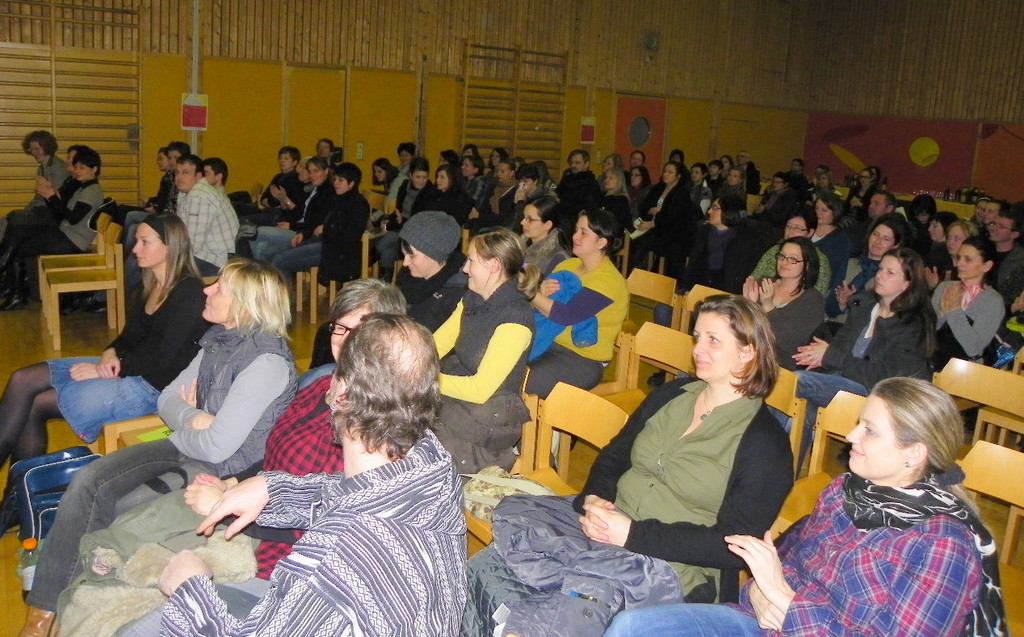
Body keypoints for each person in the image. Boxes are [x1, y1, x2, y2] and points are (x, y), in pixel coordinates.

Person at [463, 295, 793, 635]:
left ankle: (548, 595)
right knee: (513, 521)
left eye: (713, 340)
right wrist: (595, 497)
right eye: (697, 336)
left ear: (748, 352)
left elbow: (733, 546)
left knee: (578, 603)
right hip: (610, 521)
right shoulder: (673, 395)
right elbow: (617, 453)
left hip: (670, 562)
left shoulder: (765, 445)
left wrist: (632, 534)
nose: (698, 348)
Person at [18, 259, 297, 637]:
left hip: (223, 470)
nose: (207, 290)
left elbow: (218, 448)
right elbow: (167, 399)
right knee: (89, 481)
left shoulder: (267, 362)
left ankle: (75, 606)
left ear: (246, 306)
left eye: (219, 288)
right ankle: (42, 613)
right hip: (184, 444)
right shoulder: (219, 338)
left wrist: (190, 419)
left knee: (118, 507)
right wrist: (193, 416)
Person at [605, 377, 1006, 637]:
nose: (851, 436)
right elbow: (789, 563)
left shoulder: (943, 546)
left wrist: (785, 603)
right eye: (859, 423)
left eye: (869, 430)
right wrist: (761, 594)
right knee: (631, 627)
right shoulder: (844, 491)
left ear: (913, 453)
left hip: (796, 621)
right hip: (769, 621)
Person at [150, 314, 466, 637]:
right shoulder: (434, 466)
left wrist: (189, 588)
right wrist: (273, 488)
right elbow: (355, 495)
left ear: (341, 393)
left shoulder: (331, 562)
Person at [181, 280, 405, 587]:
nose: (346, 340)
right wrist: (232, 483)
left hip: (293, 560)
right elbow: (275, 457)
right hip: (250, 515)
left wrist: (226, 508)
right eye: (341, 328)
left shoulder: (379, 419)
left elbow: (331, 519)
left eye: (360, 331)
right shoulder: (319, 386)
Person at [0, 215, 209, 524]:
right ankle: (19, 501)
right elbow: (128, 338)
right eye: (136, 241)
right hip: (128, 368)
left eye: (144, 242)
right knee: (22, 379)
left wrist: (105, 369)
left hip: (152, 387)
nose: (135, 249)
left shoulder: (189, 293)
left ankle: (16, 503)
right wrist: (111, 351)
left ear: (170, 247)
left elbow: (164, 361)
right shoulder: (148, 285)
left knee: (38, 404)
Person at [793, 247, 935, 460]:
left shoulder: (913, 324)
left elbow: (886, 377)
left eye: (890, 272)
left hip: (879, 394)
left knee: (797, 382)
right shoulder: (865, 305)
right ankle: (783, 465)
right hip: (843, 380)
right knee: (799, 404)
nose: (880, 275)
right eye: (880, 269)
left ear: (907, 284)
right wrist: (818, 357)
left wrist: (830, 356)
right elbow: (839, 347)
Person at [433, 228, 538, 472]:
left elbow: (480, 390)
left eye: (471, 261)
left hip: (490, 413)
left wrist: (424, 381)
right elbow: (435, 346)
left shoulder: (516, 319)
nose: (464, 268)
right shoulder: (473, 299)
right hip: (462, 394)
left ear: (494, 266)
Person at [527, 208, 628, 398]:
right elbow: (538, 307)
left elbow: (566, 315)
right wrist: (539, 291)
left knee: (523, 381)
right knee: (500, 365)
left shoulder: (608, 281)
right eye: (576, 230)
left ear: (602, 242)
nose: (575, 236)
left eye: (584, 232)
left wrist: (530, 292)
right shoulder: (568, 266)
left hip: (584, 359)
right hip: (547, 342)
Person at [0, 147, 104, 310]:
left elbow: (73, 218)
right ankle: (15, 292)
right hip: (65, 233)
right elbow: (63, 212)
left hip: (72, 240)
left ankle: (16, 294)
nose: (77, 171)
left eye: (82, 168)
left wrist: (52, 197)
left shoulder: (91, 191)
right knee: (18, 232)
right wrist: (52, 196)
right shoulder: (83, 186)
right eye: (76, 167)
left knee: (19, 246)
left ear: (94, 169)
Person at [743, 236, 825, 370]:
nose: (784, 262)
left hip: (779, 362)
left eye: (792, 259)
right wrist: (748, 304)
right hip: (747, 350)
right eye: (781, 256)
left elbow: (789, 342)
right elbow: (741, 327)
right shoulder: (764, 283)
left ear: (807, 265)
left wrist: (768, 306)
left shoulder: (813, 299)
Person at [931, 236, 1005, 369]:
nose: (959, 263)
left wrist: (953, 311)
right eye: (958, 257)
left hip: (966, 370)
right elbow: (925, 330)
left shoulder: (993, 301)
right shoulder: (944, 287)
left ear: (986, 265)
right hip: (932, 361)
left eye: (968, 259)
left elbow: (973, 348)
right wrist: (942, 313)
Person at [678, 195, 770, 295]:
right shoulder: (704, 231)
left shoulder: (745, 239)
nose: (709, 211)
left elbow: (738, 276)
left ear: (729, 211)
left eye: (715, 208)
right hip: (698, 288)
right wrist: (687, 288)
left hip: (726, 294)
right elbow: (692, 265)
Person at [826, 212, 909, 320]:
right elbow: (829, 308)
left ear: (895, 245)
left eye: (886, 239)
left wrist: (854, 302)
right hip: (834, 324)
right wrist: (841, 302)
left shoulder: (891, 276)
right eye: (875, 234)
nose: (878, 241)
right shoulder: (850, 263)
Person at [263, 157, 335, 280]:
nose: (312, 175)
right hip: (304, 232)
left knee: (274, 255)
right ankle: (266, 287)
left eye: (316, 171)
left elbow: (315, 222)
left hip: (313, 237)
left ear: (326, 171)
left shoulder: (327, 193)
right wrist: (284, 200)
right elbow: (302, 215)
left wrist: (295, 228)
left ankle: (281, 291)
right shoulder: (316, 189)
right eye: (310, 171)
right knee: (264, 249)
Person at [633, 160, 701, 280]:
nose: (666, 174)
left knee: (644, 240)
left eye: (670, 172)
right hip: (654, 225)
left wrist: (653, 223)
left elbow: (673, 216)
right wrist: (650, 210)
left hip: (672, 232)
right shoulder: (658, 188)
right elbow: (644, 205)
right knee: (632, 235)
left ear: (678, 176)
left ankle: (638, 272)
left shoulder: (681, 193)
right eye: (665, 171)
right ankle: (634, 269)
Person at [748, 207, 832, 296]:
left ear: (810, 232)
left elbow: (816, 297)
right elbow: (754, 279)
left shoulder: (819, 260)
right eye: (788, 226)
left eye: (797, 228)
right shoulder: (774, 250)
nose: (790, 232)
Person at [317, 162, 371, 286]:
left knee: (284, 259)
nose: (335, 183)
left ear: (351, 184)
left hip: (343, 255)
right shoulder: (336, 199)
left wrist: (325, 229)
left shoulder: (358, 204)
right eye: (335, 179)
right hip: (328, 248)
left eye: (340, 180)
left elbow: (351, 235)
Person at [521, 195, 570, 277]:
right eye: (524, 217)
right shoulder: (519, 245)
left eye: (530, 219)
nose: (522, 222)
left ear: (548, 225)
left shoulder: (557, 258)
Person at [601, 166, 634, 232]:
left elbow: (616, 223)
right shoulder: (602, 196)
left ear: (619, 181)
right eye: (606, 177)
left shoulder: (621, 200)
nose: (607, 180)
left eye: (611, 178)